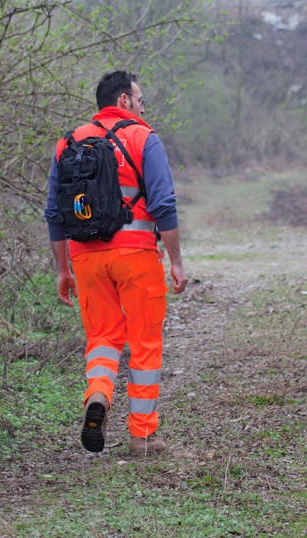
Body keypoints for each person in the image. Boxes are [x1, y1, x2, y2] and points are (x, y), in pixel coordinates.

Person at [44, 71, 188, 455]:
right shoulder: (144, 137)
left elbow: (54, 214)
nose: (143, 107)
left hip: (85, 258)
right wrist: (176, 261)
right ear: (124, 100)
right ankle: (142, 436)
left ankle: (98, 397)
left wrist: (62, 271)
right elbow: (163, 204)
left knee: (104, 340)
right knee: (144, 341)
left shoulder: (68, 143)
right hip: (136, 256)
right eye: (140, 99)